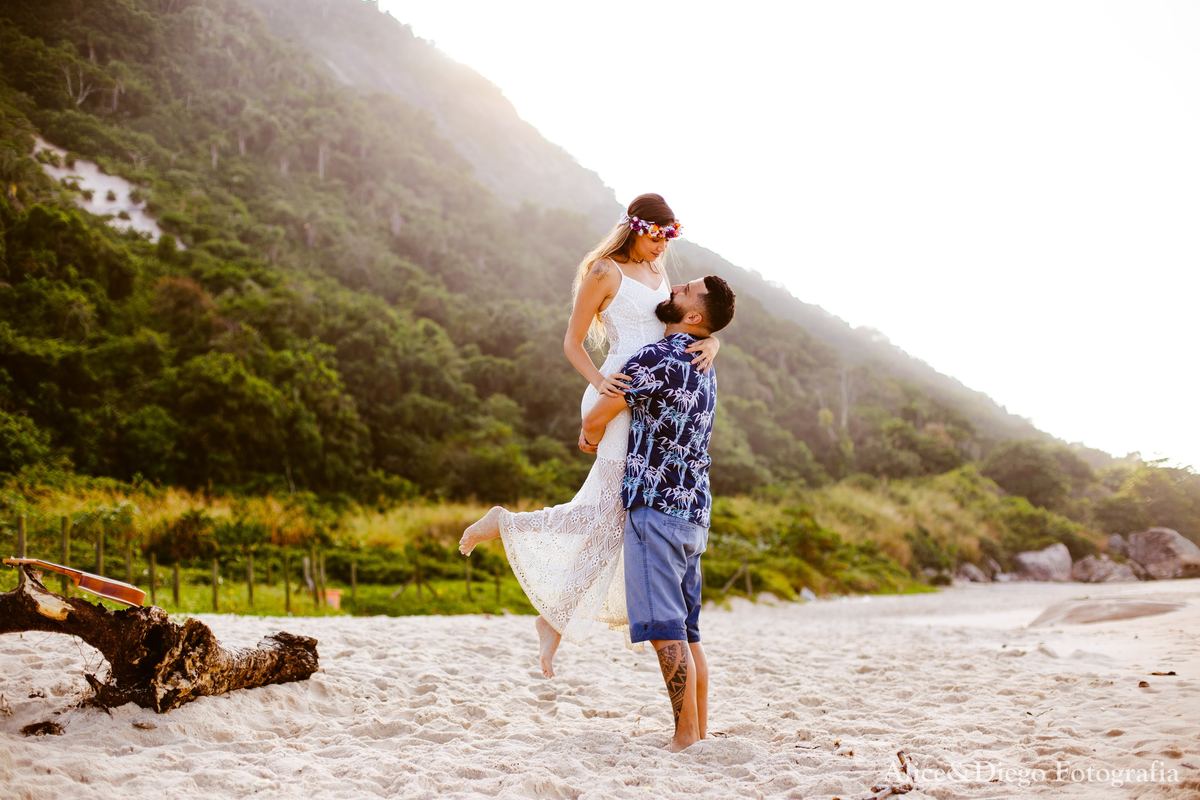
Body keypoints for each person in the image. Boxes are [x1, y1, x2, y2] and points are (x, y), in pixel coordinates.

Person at [457, 193, 721, 678]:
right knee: (610, 514)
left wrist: (713, 341)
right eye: (655, 237)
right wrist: (600, 384)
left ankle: (551, 614)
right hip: (617, 389)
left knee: (610, 519)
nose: (661, 248)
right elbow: (572, 341)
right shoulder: (604, 271)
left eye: (667, 239)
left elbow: (681, 323)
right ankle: (511, 533)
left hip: (649, 394)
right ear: (635, 228)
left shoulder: (658, 271)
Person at [580, 274, 735, 752]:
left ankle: (685, 736)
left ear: (694, 315)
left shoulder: (658, 358)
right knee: (688, 632)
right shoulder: (704, 363)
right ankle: (699, 731)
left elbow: (597, 416)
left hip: (656, 507)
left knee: (665, 631)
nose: (673, 290)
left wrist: (588, 434)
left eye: (684, 291)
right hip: (694, 510)